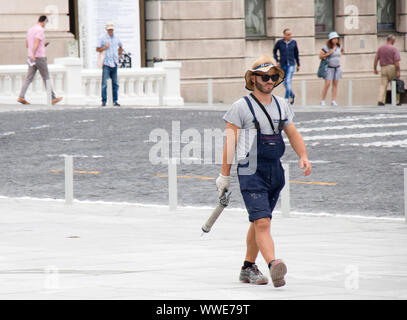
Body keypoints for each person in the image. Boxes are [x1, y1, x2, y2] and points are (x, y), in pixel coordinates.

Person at [216, 54, 312, 288]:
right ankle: (273, 264)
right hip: (250, 170)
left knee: (261, 221)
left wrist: (303, 155)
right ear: (254, 79)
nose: (269, 81)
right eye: (265, 77)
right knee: (262, 222)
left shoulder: (282, 105)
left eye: (272, 77)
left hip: (275, 171)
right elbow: (230, 142)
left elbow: (292, 133)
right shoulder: (240, 107)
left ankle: (248, 267)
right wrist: (224, 175)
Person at [17, 15, 63, 105]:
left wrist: (33, 53)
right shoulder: (40, 30)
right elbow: (37, 42)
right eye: (46, 23)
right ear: (44, 21)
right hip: (39, 57)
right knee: (46, 78)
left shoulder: (30, 30)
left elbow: (27, 44)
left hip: (30, 57)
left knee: (28, 78)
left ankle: (21, 96)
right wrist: (34, 54)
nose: (45, 25)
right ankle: (52, 98)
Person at [96, 22, 123, 107]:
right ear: (106, 30)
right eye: (109, 29)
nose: (110, 31)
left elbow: (121, 46)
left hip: (114, 62)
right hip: (106, 62)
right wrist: (105, 47)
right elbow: (97, 49)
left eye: (111, 29)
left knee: (115, 83)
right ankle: (104, 100)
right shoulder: (102, 38)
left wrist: (119, 55)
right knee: (104, 83)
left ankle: (115, 100)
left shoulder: (116, 37)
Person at [273, 28, 300, 104]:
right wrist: (277, 61)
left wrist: (298, 64)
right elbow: (274, 51)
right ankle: (292, 94)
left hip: (291, 64)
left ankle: (286, 99)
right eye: (288, 35)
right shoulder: (280, 43)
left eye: (290, 34)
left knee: (288, 81)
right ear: (284, 35)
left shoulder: (293, 42)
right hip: (282, 64)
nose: (289, 36)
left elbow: (296, 54)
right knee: (283, 82)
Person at [374, 34, 401, 106]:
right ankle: (396, 101)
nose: (394, 42)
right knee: (395, 84)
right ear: (392, 40)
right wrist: (398, 71)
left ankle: (381, 100)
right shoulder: (393, 49)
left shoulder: (380, 48)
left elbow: (376, 59)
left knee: (383, 85)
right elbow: (396, 61)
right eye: (394, 41)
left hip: (383, 68)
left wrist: (375, 69)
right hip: (392, 67)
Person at [319, 31, 344, 106]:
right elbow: (320, 56)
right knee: (327, 84)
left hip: (337, 67)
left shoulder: (339, 47)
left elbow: (342, 51)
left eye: (336, 38)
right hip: (329, 68)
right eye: (334, 39)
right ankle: (322, 100)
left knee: (335, 84)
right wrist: (328, 53)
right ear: (330, 40)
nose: (335, 40)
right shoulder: (326, 48)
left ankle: (333, 100)